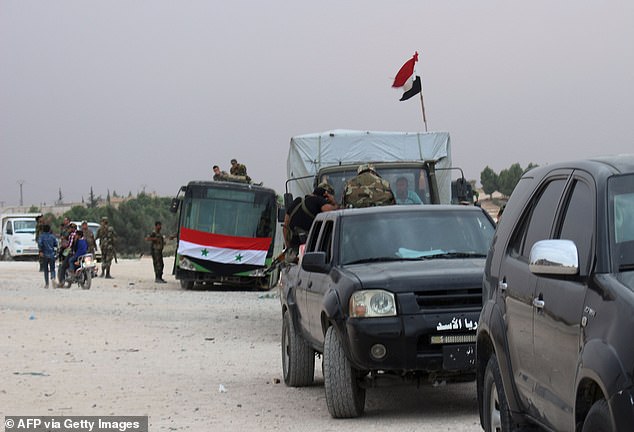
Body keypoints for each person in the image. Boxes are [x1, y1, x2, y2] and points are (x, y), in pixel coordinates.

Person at [283, 182, 338, 263]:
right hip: (312, 249)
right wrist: (334, 202)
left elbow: (285, 226)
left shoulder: (297, 201)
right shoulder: (318, 201)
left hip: (295, 250)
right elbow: (333, 212)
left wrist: (289, 247)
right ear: (325, 196)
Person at [37, 224, 58, 288]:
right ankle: (53, 277)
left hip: (44, 255)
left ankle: (47, 284)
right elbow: (56, 244)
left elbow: (40, 244)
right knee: (52, 268)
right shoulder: (52, 236)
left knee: (46, 269)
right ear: (49, 230)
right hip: (52, 254)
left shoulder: (41, 236)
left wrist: (40, 251)